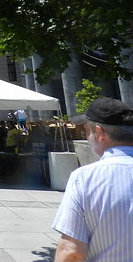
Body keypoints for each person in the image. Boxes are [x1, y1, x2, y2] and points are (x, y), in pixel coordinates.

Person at [52, 97, 133, 261]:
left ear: (99, 132)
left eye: (87, 131)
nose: (86, 137)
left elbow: (72, 252)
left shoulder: (84, 179)